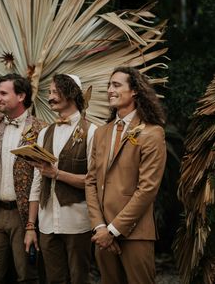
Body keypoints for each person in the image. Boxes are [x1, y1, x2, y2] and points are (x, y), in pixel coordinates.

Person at [85, 66, 167, 284]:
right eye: (109, 85)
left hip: (135, 233)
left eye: (116, 85)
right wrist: (100, 226)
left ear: (135, 91)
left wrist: (113, 230)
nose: (110, 90)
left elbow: (147, 189)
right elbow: (91, 181)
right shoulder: (101, 133)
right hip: (102, 234)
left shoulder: (152, 132)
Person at [24, 74, 97, 284]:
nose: (50, 97)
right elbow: (37, 183)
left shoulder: (91, 132)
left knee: (79, 279)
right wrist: (32, 225)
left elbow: (94, 181)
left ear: (71, 93)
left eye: (55, 92)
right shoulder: (44, 133)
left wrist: (58, 174)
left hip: (77, 222)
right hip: (46, 224)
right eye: (49, 92)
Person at [0, 73, 46, 284]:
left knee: (26, 275)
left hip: (23, 214)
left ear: (21, 96)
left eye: (3, 93)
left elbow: (41, 177)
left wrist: (31, 224)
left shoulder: (40, 129)